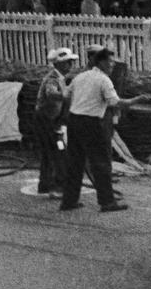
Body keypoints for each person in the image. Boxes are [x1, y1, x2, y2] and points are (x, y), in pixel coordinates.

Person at [59, 48, 144, 212]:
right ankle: (107, 202)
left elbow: (66, 96)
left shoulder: (80, 77)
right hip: (92, 124)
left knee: (75, 163)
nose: (113, 65)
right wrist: (135, 100)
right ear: (102, 62)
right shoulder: (104, 80)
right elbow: (115, 103)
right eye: (110, 62)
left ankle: (69, 201)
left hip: (74, 121)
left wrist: (80, 104)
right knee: (101, 163)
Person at [36, 48, 77, 199]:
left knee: (54, 152)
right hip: (46, 120)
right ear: (59, 64)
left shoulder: (61, 78)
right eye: (67, 63)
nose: (70, 65)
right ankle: (53, 186)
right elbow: (51, 93)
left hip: (53, 119)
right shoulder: (53, 78)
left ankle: (47, 184)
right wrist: (66, 96)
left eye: (70, 62)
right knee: (55, 152)